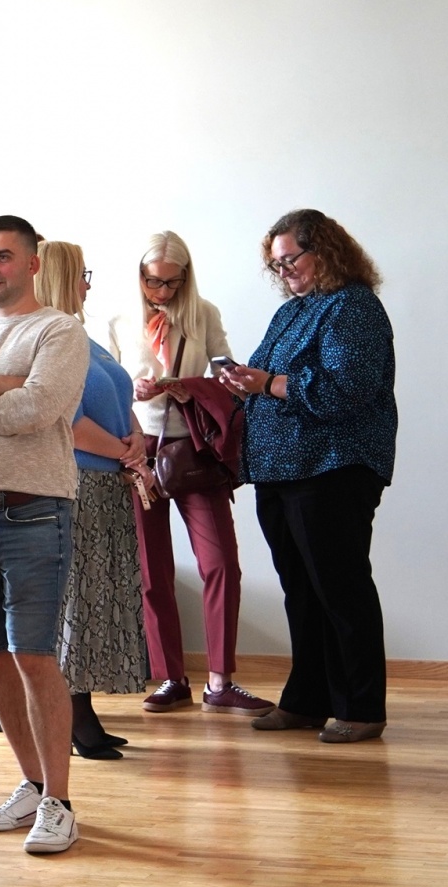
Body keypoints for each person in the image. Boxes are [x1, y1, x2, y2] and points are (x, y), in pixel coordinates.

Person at [221, 209, 396, 744]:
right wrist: (236, 382)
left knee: (341, 589)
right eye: (276, 265)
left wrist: (268, 384)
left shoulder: (353, 306)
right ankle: (307, 700)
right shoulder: (292, 312)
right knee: (301, 590)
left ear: (325, 250)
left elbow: (347, 389)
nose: (284, 272)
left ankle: (361, 707)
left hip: (332, 468)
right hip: (279, 470)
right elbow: (263, 377)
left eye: (290, 259)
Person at [0, 215, 89, 856]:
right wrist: (0, 387)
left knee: (34, 655)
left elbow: (38, 409)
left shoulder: (58, 331)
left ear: (32, 263)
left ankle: (60, 803)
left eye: (3, 256)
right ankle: (32, 786)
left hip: (34, 512)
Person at [112, 231, 272, 716]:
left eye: (172, 282)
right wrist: (134, 391)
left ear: (186, 278)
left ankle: (220, 680)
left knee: (220, 562)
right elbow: (107, 388)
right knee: (152, 568)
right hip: (138, 449)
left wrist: (188, 387)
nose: (161, 291)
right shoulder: (119, 320)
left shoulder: (204, 314)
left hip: (193, 451)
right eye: (152, 281)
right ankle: (171, 678)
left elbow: (229, 377)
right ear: (139, 276)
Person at [32, 241, 150, 759]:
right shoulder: (52, 338)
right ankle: (74, 716)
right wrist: (126, 453)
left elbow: (120, 401)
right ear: (61, 277)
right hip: (79, 483)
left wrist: (136, 438)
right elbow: (70, 422)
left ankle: (83, 711)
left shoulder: (84, 336)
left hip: (106, 485)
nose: (88, 282)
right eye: (82, 273)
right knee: (77, 600)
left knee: (98, 597)